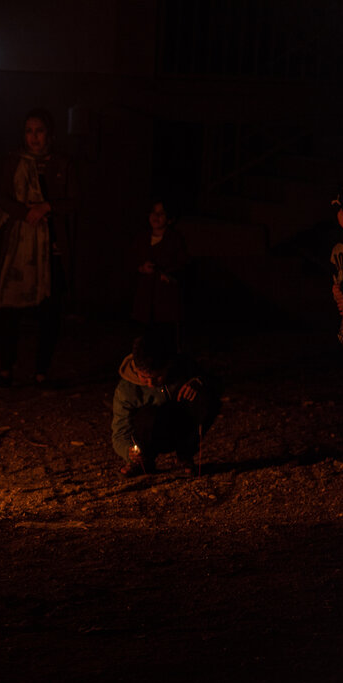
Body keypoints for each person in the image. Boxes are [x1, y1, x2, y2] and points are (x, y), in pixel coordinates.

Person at [0, 108, 76, 388]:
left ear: (50, 134)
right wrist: (25, 213)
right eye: (29, 131)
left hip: (51, 248)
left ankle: (41, 370)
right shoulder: (14, 162)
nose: (34, 137)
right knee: (10, 306)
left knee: (49, 310)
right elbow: (3, 198)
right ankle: (7, 367)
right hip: (19, 246)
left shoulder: (62, 164)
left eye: (39, 131)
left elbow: (74, 201)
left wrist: (47, 207)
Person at [111, 332, 220, 477]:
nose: (150, 384)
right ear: (136, 369)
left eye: (157, 377)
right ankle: (142, 462)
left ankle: (185, 456)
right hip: (149, 435)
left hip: (180, 426)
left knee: (204, 398)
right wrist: (128, 451)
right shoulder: (126, 389)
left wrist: (199, 382)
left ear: (168, 365)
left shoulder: (184, 367)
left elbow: (216, 385)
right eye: (144, 377)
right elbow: (120, 431)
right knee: (147, 415)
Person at [130, 199, 189, 350]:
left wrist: (168, 275)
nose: (156, 216)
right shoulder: (141, 239)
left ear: (169, 219)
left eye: (161, 213)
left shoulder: (175, 240)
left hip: (165, 300)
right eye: (153, 212)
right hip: (144, 299)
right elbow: (130, 261)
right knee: (144, 336)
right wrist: (142, 268)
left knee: (163, 337)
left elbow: (182, 264)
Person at [330, 186, 343, 345]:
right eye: (340, 209)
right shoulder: (338, 250)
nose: (341, 214)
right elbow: (337, 278)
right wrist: (337, 293)